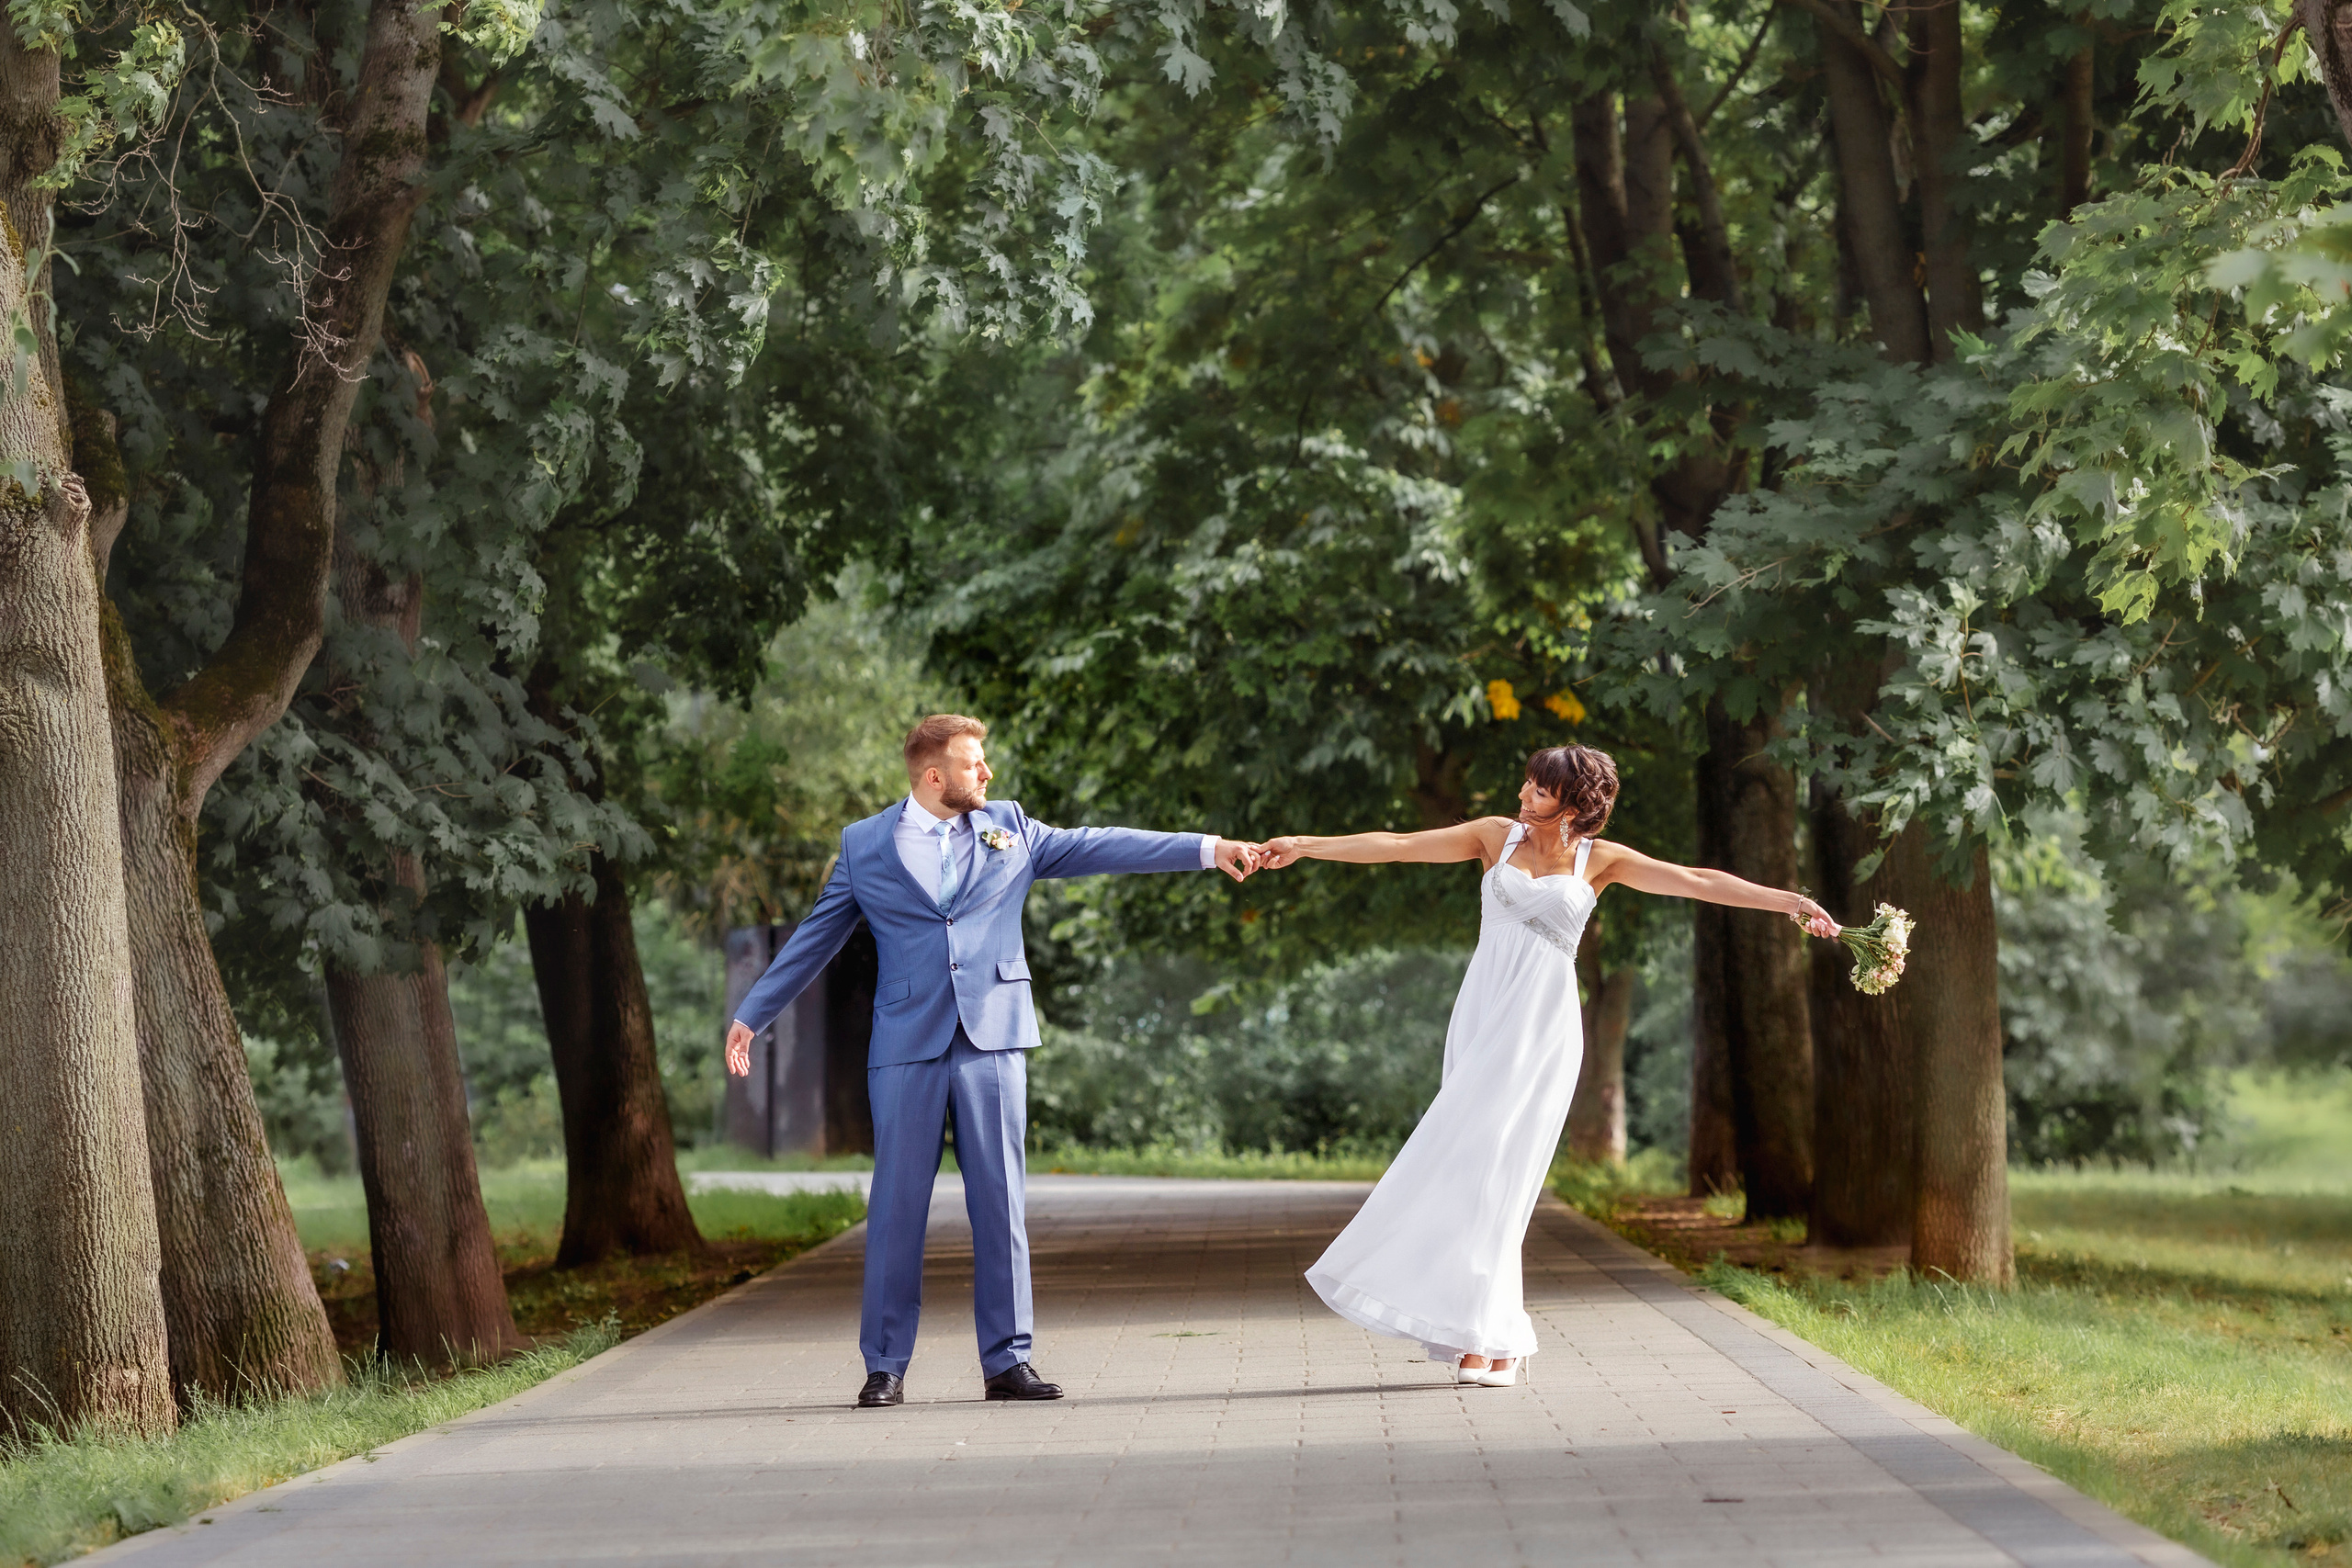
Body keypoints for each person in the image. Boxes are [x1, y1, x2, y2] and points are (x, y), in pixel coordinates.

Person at [1255, 743, 1838, 1386]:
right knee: (1469, 1169)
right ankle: (1491, 1336)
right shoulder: (1493, 838)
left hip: (1543, 1029)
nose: (1524, 798)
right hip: (1484, 1015)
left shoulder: (1600, 860)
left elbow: (1699, 880)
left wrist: (1793, 902)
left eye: (1538, 790)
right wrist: (1305, 843)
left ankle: (1487, 1339)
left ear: (1576, 800)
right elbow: (1395, 844)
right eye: (1527, 785)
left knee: (1506, 1175)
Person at [725, 714, 1262, 1408]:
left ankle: (1008, 1361)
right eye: (973, 763)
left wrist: (1208, 847)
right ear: (932, 776)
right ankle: (884, 1365)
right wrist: (751, 1013)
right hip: (905, 1045)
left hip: (995, 1038)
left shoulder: (1009, 825)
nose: (986, 773)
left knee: (1001, 1202)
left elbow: (1097, 844)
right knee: (894, 1207)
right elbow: (815, 935)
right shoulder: (864, 846)